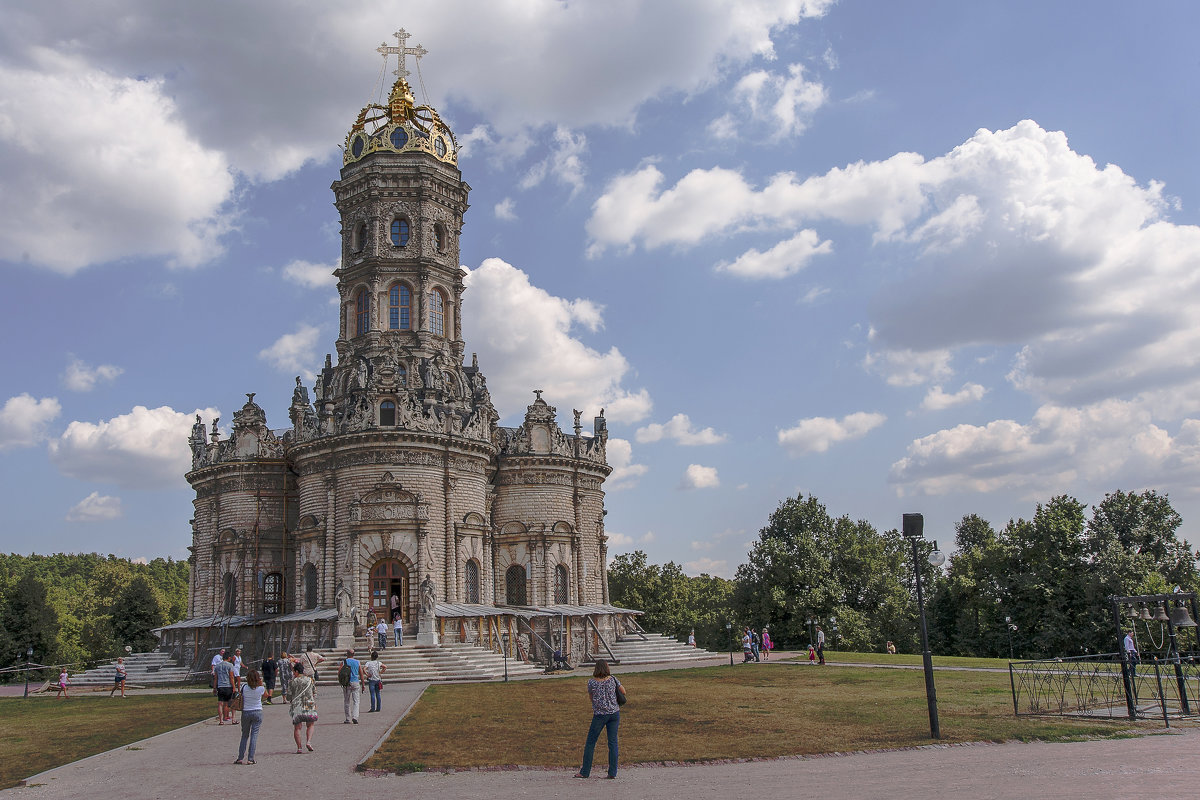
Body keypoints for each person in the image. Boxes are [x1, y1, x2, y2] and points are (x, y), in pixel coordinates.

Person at [574, 659, 623, 779]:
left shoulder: (592, 683)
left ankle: (585, 771)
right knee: (612, 743)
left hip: (600, 715)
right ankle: (612, 772)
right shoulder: (613, 679)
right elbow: (623, 691)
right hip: (614, 713)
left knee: (590, 742)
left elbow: (591, 698)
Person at [234, 668, 269, 764]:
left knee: (244, 735)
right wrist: (261, 684)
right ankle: (250, 758)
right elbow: (267, 695)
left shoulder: (244, 687)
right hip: (257, 711)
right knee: (254, 735)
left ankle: (240, 757)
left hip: (246, 712)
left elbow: (241, 695)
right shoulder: (261, 688)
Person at [289, 662, 317, 753]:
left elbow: (289, 696)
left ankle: (299, 747)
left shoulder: (293, 682)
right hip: (308, 704)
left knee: (297, 727)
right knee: (311, 724)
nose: (293, 673)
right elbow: (314, 692)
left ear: (297, 671)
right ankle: (308, 741)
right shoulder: (310, 680)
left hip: (297, 705)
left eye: (294, 671)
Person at [214, 651, 239, 724]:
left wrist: (214, 688)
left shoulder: (217, 666)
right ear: (228, 658)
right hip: (228, 686)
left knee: (220, 704)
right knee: (232, 702)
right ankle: (233, 719)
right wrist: (234, 687)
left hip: (220, 686)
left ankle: (221, 721)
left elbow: (215, 677)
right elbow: (231, 677)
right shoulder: (230, 665)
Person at [341, 649, 361, 724]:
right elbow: (361, 673)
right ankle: (355, 717)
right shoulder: (357, 662)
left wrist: (341, 681)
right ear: (354, 654)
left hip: (347, 683)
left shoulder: (344, 662)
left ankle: (348, 718)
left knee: (347, 701)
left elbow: (339, 672)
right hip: (355, 681)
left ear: (347, 654)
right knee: (356, 701)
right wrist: (362, 682)